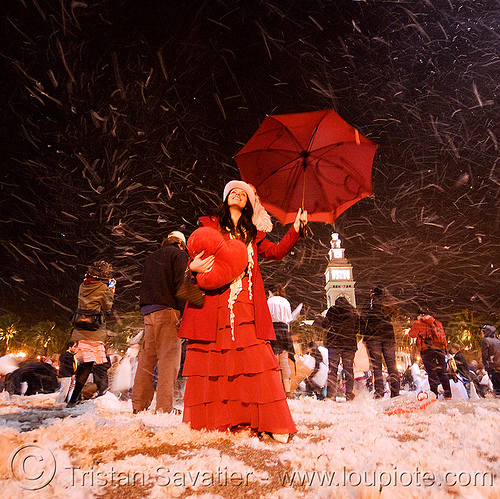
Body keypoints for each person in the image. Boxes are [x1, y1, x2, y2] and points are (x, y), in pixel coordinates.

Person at [178, 180, 307, 443]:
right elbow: (194, 259)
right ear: (225, 199)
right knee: (216, 361)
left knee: (256, 359)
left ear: (249, 204)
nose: (237, 193)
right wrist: (193, 268)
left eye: (243, 193)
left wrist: (295, 228)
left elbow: (277, 251)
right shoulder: (209, 228)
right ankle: (217, 420)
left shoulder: (254, 235)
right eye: (232, 191)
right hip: (214, 303)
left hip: (247, 303)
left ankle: (270, 420)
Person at [132, 231, 189, 414]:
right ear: (181, 243)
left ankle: (138, 404)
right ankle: (165, 407)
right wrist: (185, 311)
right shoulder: (178, 255)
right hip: (168, 312)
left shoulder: (151, 258)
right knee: (168, 361)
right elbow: (181, 284)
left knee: (146, 361)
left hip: (148, 313)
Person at [67, 260, 115, 407]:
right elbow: (107, 306)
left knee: (86, 364)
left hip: (81, 328)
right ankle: (93, 394)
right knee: (97, 364)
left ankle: (75, 397)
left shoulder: (83, 286)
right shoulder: (102, 288)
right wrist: (111, 290)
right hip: (94, 330)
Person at [362, 286, 400, 398]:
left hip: (373, 336)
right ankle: (395, 391)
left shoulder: (370, 302)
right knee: (392, 365)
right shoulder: (388, 302)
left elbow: (363, 317)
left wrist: (364, 333)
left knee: (377, 366)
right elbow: (395, 313)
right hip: (388, 335)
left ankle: (379, 392)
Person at [408, 309, 452, 399]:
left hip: (427, 350)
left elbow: (412, 334)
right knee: (442, 372)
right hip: (440, 350)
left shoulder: (419, 323)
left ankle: (434, 395)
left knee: (432, 373)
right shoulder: (437, 323)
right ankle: (448, 394)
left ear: (421, 315)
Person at [325, 296, 359, 401]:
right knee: (349, 370)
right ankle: (349, 394)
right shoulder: (353, 312)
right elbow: (357, 329)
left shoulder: (333, 311)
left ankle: (331, 395)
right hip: (349, 344)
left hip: (334, 343)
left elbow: (325, 324)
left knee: (332, 370)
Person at [267, 284, 296, 396]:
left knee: (272, 360)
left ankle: (275, 388)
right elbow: (288, 320)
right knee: (284, 361)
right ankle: (287, 390)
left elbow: (266, 317)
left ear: (271, 292)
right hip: (284, 331)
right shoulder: (286, 302)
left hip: (273, 330)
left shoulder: (269, 302)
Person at [481, 325, 500, 397]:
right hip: (498, 365)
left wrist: (485, 365)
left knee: (496, 386)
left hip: (492, 366)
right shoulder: (498, 341)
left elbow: (485, 354)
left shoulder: (486, 341)